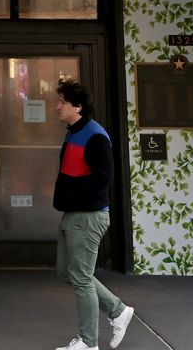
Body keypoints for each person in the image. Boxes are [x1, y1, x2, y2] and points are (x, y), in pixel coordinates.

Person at [52, 79, 134, 350]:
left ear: (77, 106)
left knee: (82, 277)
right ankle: (118, 310)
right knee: (67, 272)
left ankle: (88, 343)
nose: (57, 107)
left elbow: (104, 178)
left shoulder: (95, 135)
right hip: (74, 213)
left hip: (88, 216)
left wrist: (75, 198)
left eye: (62, 102)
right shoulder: (74, 131)